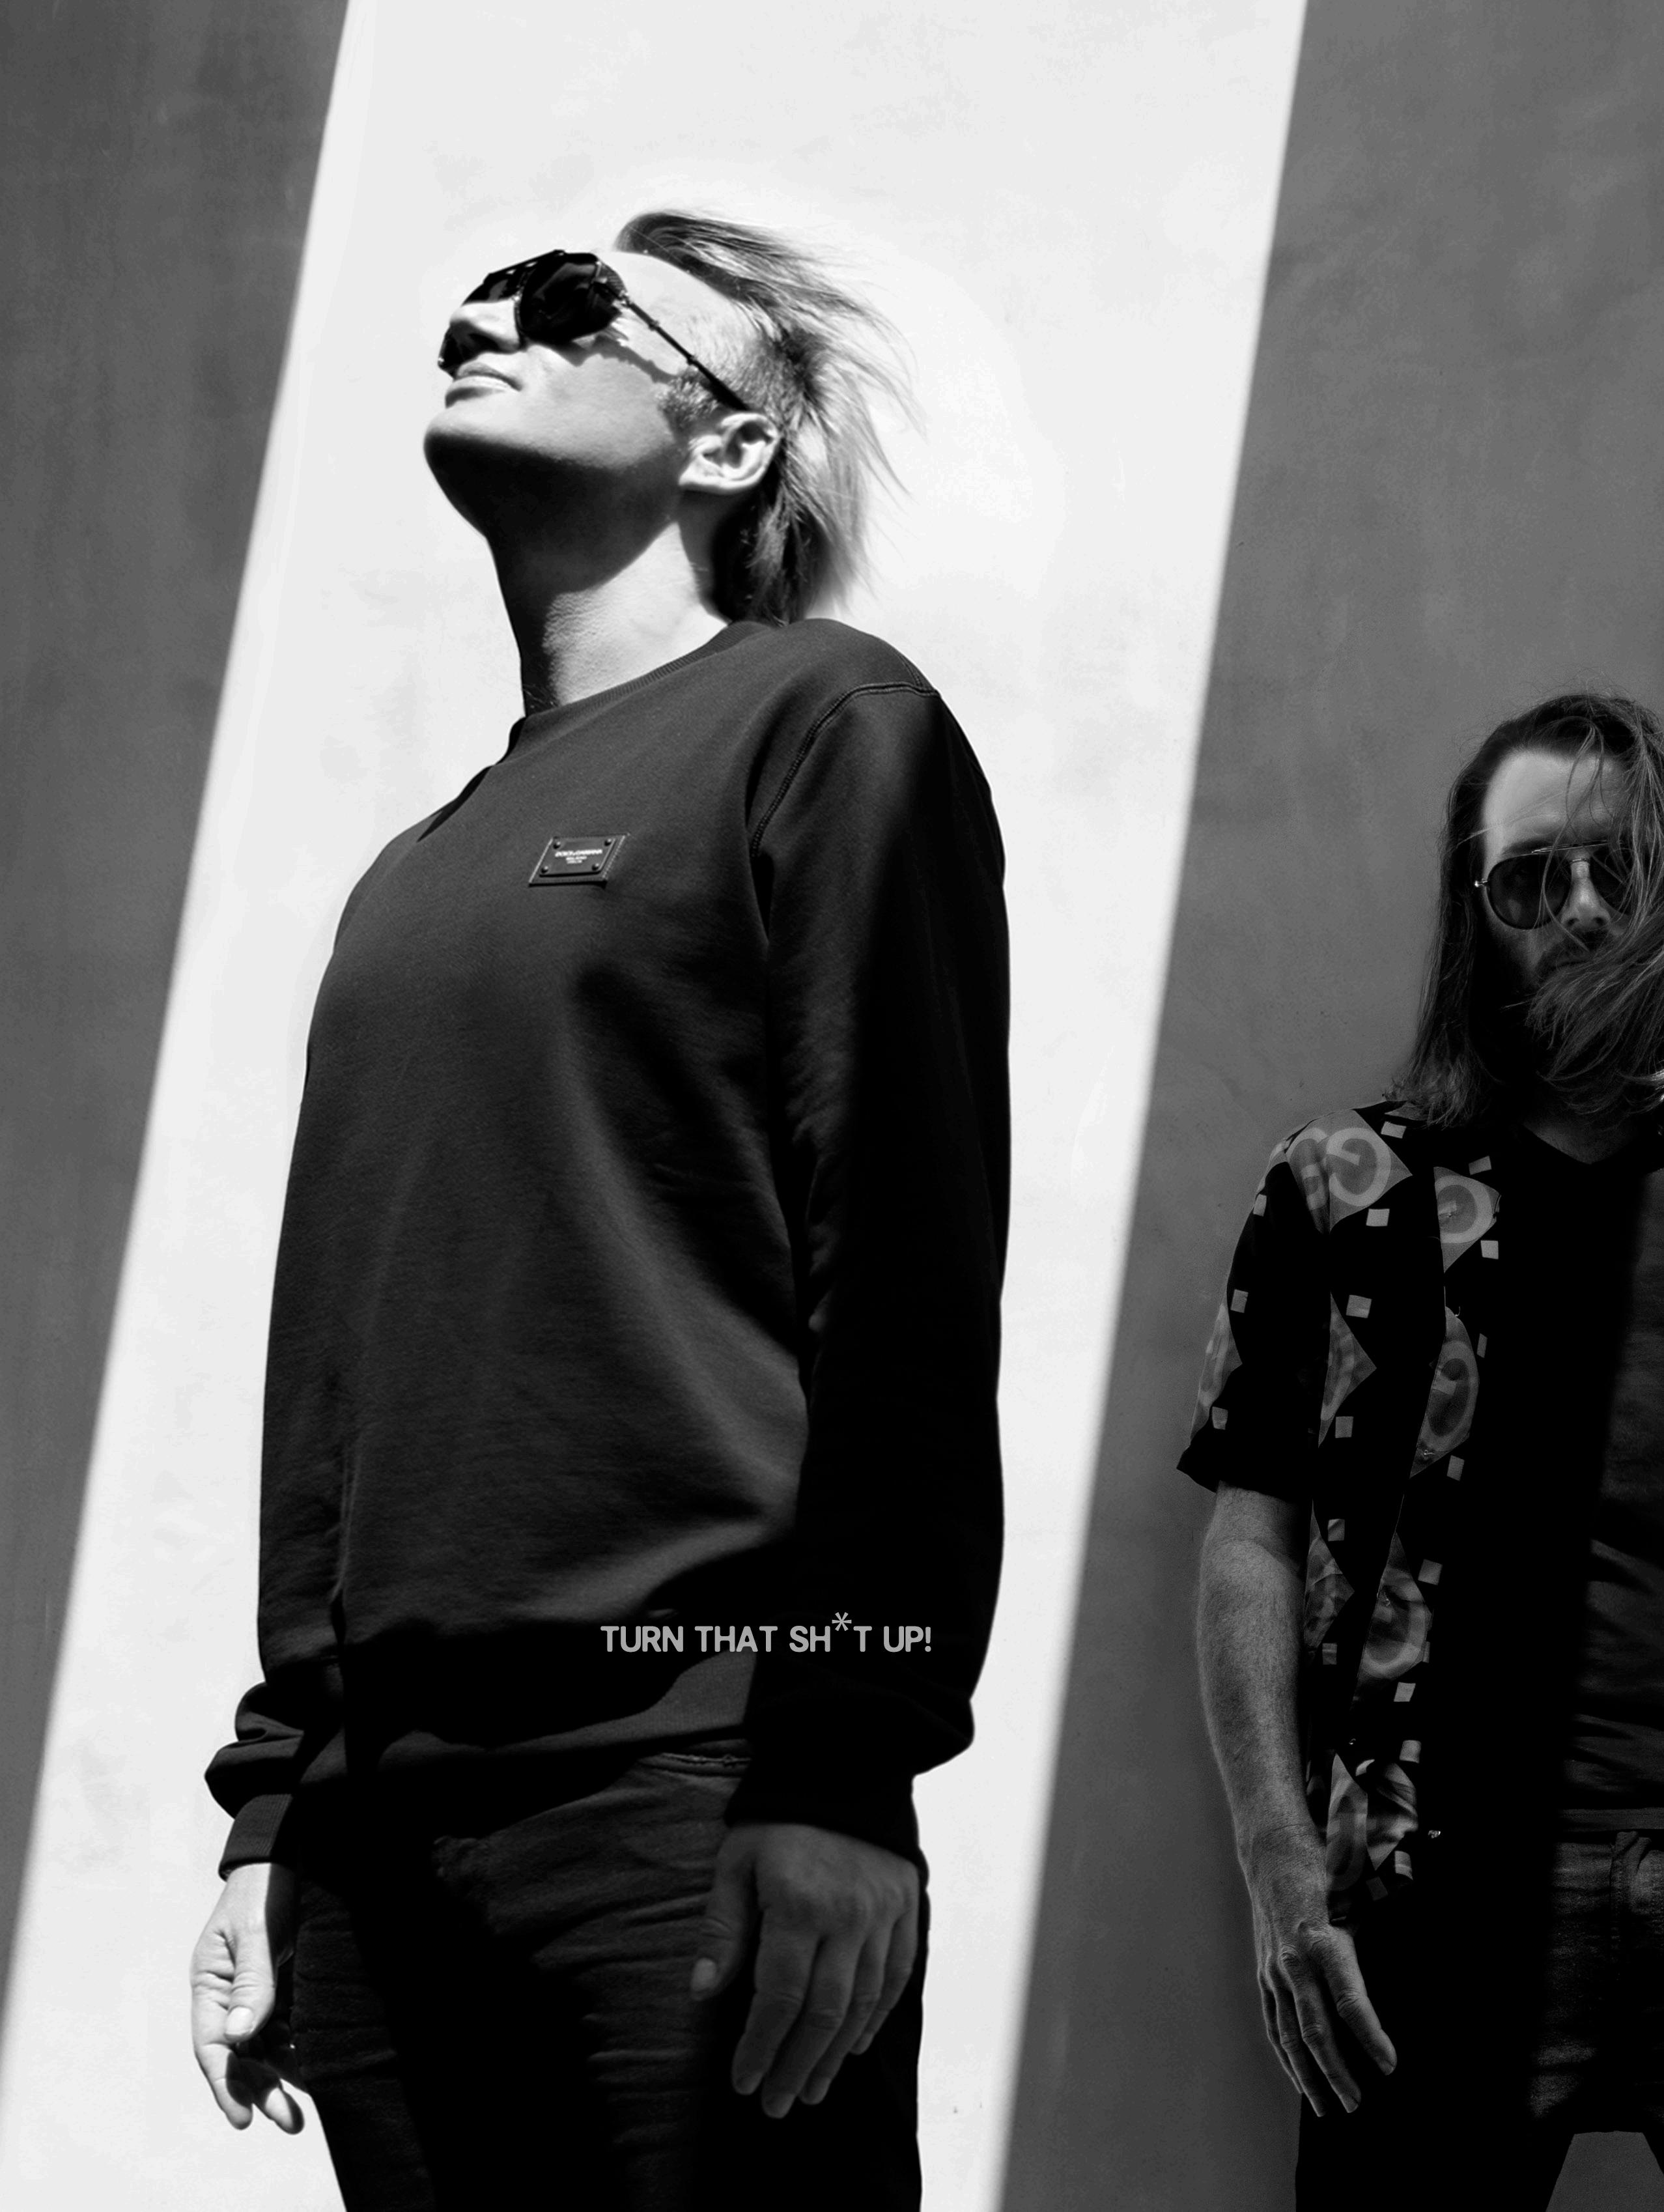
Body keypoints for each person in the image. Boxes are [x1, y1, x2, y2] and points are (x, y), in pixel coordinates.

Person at [188, 211, 1009, 2212]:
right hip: (381, 1840)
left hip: (688, 1787)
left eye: (572, 303)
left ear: (726, 440)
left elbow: (902, 1268)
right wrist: (274, 1807)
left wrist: (840, 1763)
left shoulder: (822, 721)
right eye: (480, 294)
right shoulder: (411, 875)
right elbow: (340, 1365)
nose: (492, 315)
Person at [1185, 691, 1664, 2206]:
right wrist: (1278, 1864)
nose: (1579, 909)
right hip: (1428, 1879)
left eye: (1618, 866)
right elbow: (1251, 1538)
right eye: (1530, 878)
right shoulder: (1345, 1184)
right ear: (1477, 917)